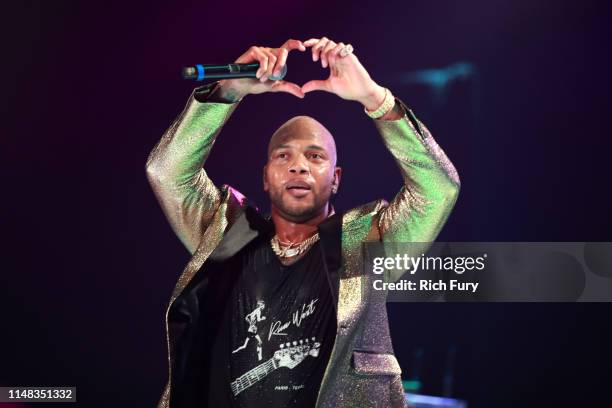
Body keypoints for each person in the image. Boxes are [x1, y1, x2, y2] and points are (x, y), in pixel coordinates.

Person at [146, 37, 460, 408]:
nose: (298, 166)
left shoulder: (368, 245)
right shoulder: (225, 237)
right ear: (265, 176)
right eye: (284, 156)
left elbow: (437, 189)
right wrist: (229, 90)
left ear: (337, 177)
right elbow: (167, 172)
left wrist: (374, 98)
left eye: (315, 156)